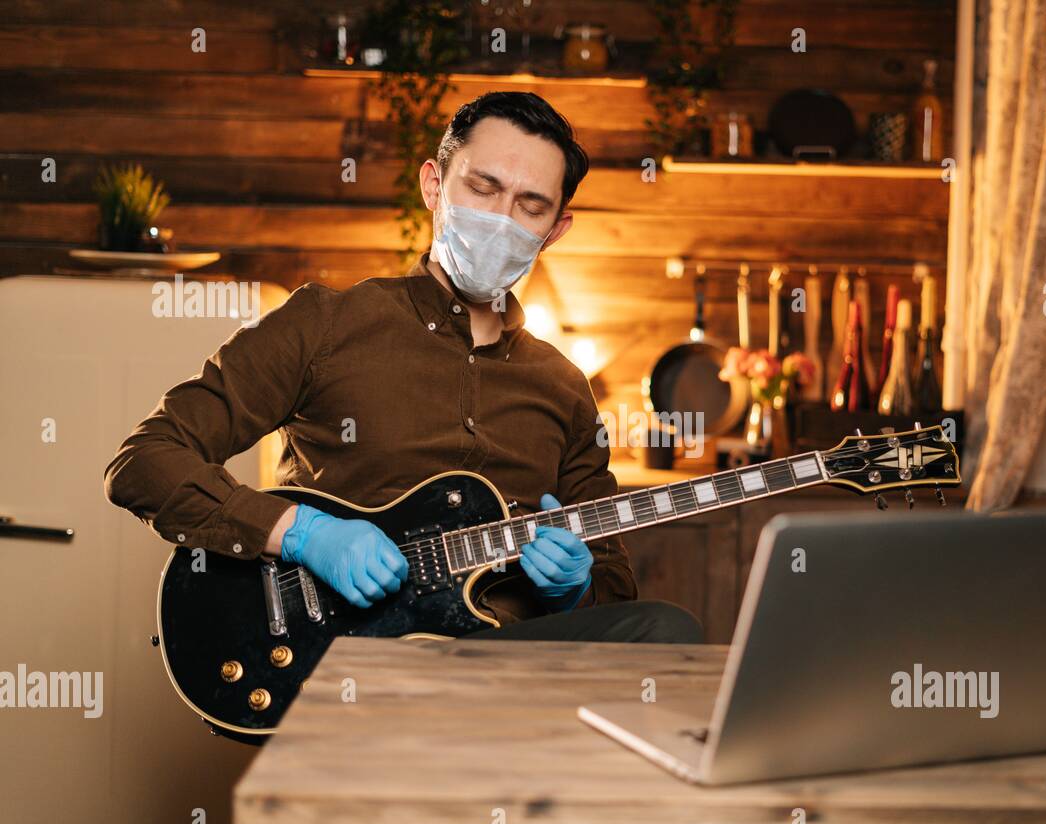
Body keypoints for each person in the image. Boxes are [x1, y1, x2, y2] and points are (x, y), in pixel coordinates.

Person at [104, 91, 703, 645]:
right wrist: (302, 532)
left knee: (659, 631)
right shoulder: (324, 322)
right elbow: (145, 462)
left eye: (531, 205)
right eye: (482, 187)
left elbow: (614, 589)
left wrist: (574, 589)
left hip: (503, 664)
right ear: (433, 184)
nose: (500, 217)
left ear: (555, 230)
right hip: (339, 653)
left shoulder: (565, 389)